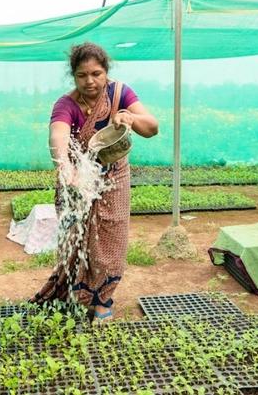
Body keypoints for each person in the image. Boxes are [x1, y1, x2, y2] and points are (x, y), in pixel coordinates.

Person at [32, 42, 158, 321]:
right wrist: (66, 168)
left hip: (114, 178)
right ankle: (74, 293)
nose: (90, 81)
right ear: (73, 76)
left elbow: (152, 127)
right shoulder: (66, 104)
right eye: (82, 75)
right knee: (74, 240)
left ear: (106, 72)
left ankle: (103, 298)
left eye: (97, 74)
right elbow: (58, 136)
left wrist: (130, 117)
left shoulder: (120, 93)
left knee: (110, 239)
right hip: (77, 180)